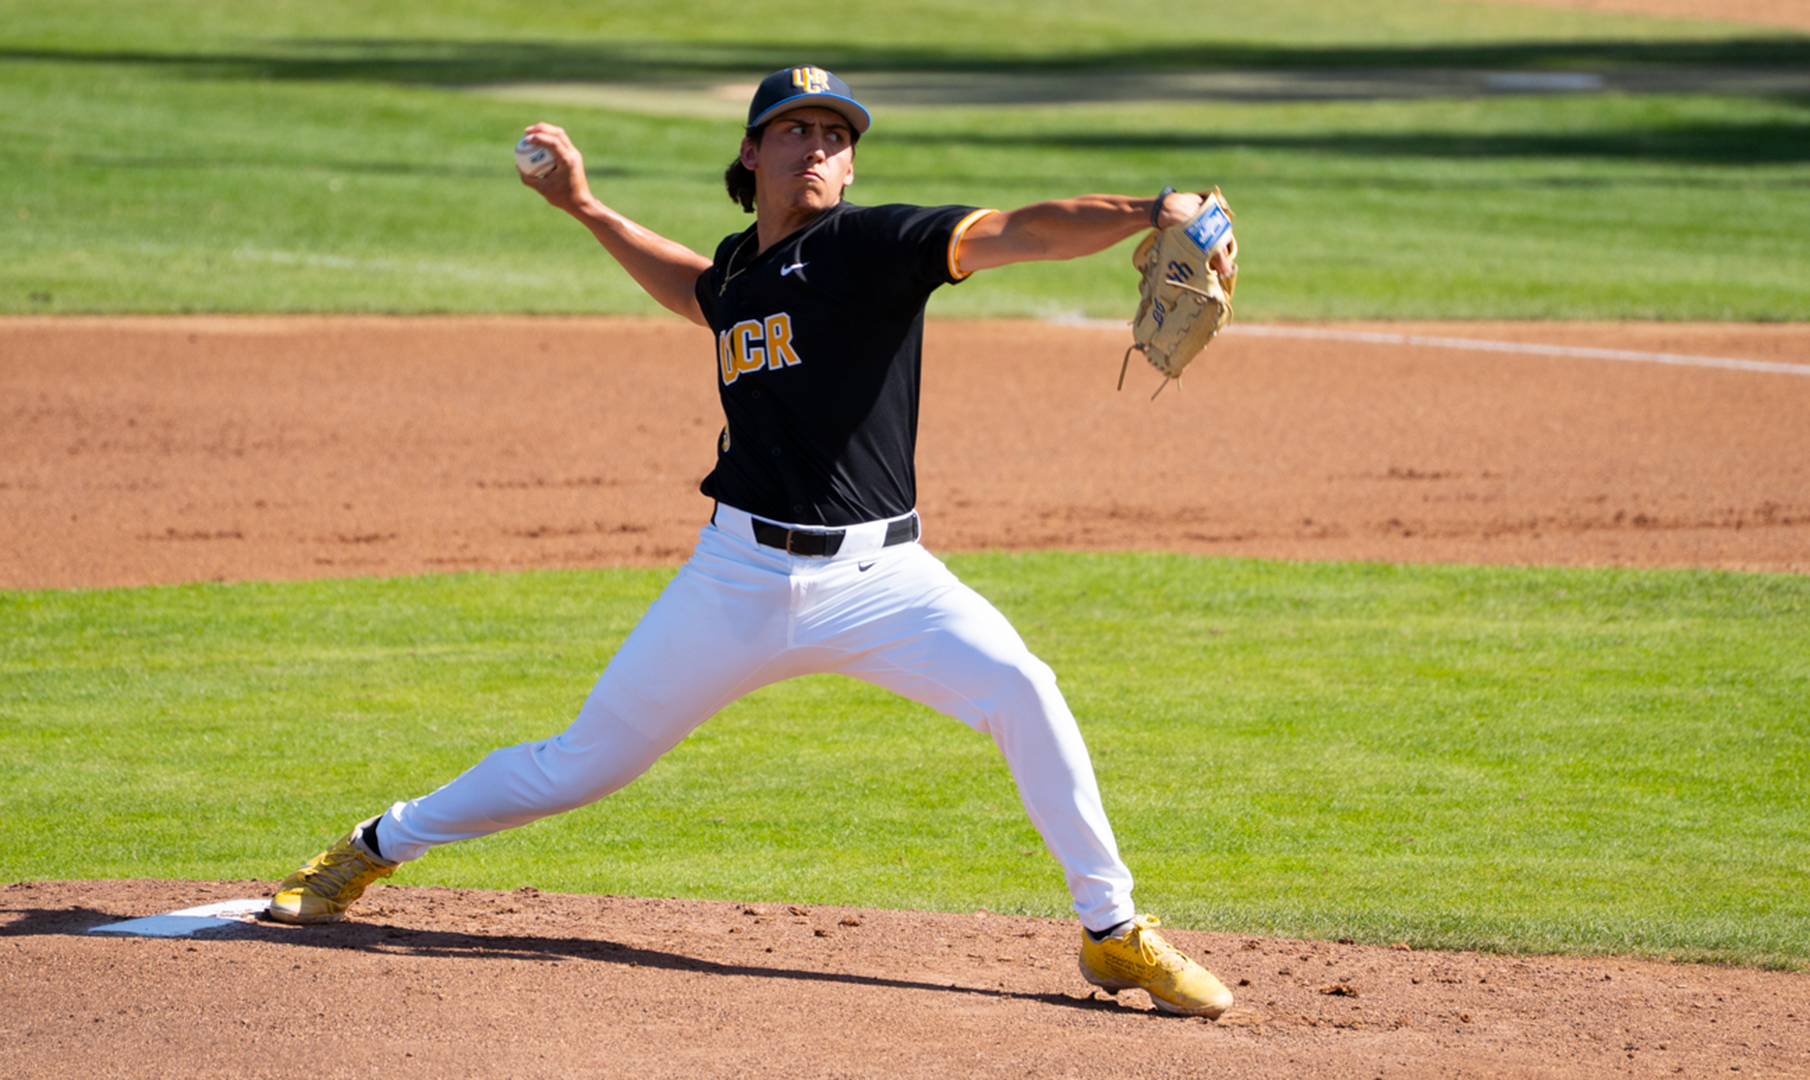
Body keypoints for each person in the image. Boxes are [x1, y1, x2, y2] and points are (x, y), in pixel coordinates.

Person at [265, 65, 1238, 1018]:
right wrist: (585, 208)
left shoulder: (874, 246)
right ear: (752, 151)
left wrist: (1151, 207)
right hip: (736, 578)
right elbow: (696, 291)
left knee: (1024, 688)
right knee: (580, 766)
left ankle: (1109, 930)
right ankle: (370, 847)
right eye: (795, 130)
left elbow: (1020, 229)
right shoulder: (741, 269)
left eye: (835, 136)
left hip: (885, 579)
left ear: (851, 166)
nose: (817, 148)